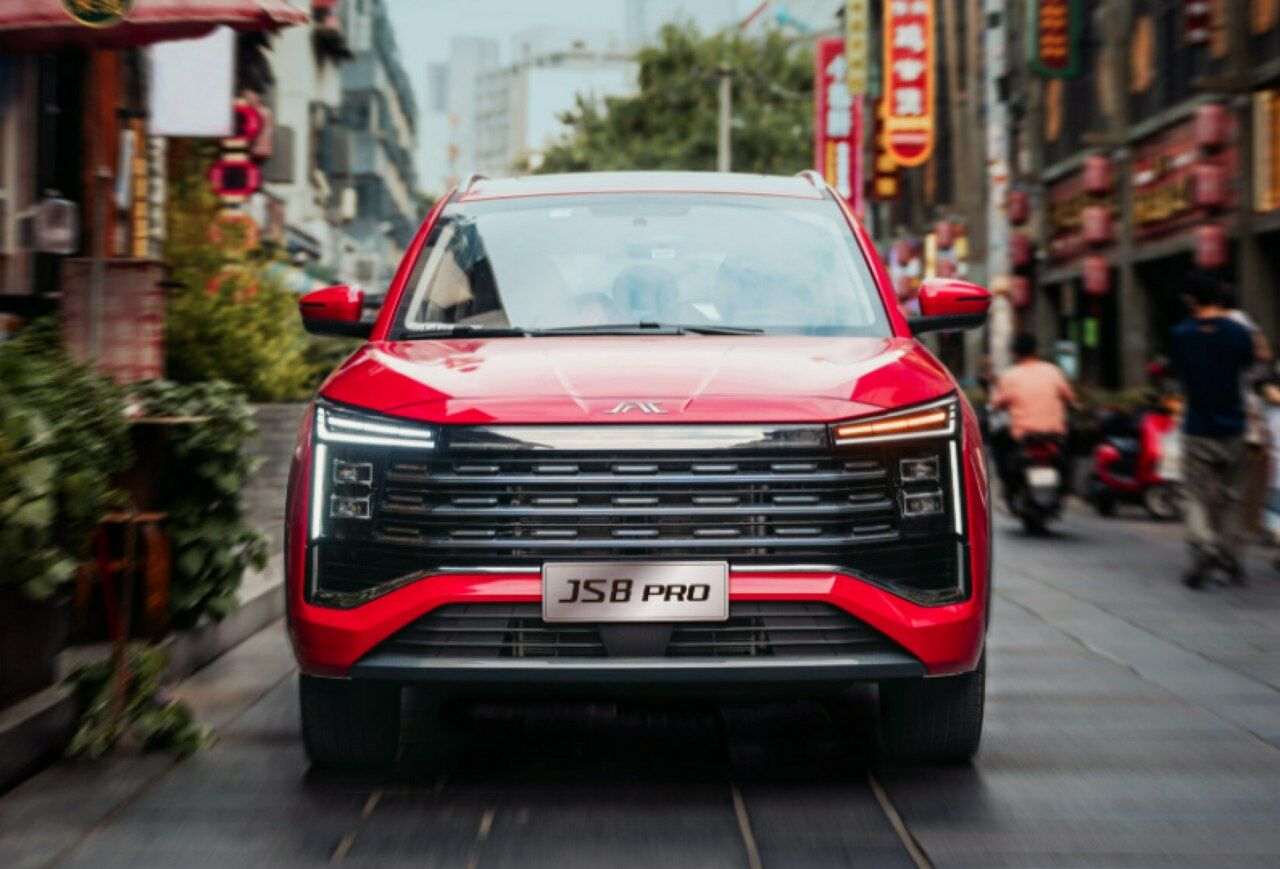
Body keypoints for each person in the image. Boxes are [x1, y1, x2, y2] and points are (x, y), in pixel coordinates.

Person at [1169, 277, 1258, 588]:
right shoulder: (1239, 333)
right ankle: (1229, 554)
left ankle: (1203, 544)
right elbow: (1249, 368)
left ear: (1192, 300)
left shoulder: (1181, 334)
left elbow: (1177, 372)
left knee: (1194, 494)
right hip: (1234, 424)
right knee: (1233, 497)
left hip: (1197, 426)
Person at [989, 332, 1076, 495]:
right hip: (1054, 434)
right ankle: (1067, 485)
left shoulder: (1010, 376)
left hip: (1022, 435)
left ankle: (1006, 486)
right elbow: (1070, 399)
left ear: (1015, 353)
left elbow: (995, 404)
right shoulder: (1053, 371)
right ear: (1037, 351)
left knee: (997, 442)